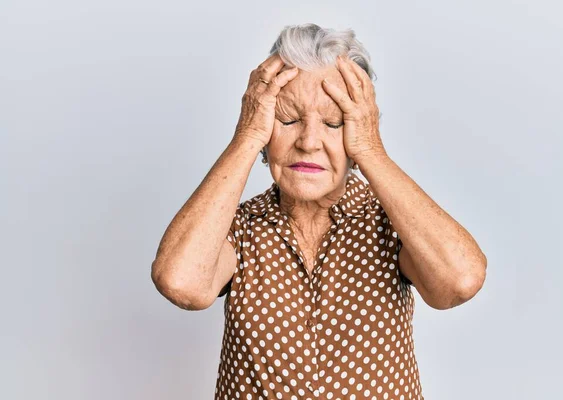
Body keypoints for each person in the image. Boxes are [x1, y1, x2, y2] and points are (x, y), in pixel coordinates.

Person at [151, 23, 487, 400]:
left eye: (332, 123)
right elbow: (180, 283)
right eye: (288, 119)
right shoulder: (240, 226)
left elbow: (460, 282)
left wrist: (372, 151)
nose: (309, 142)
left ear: (360, 131)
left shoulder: (391, 222)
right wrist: (245, 137)